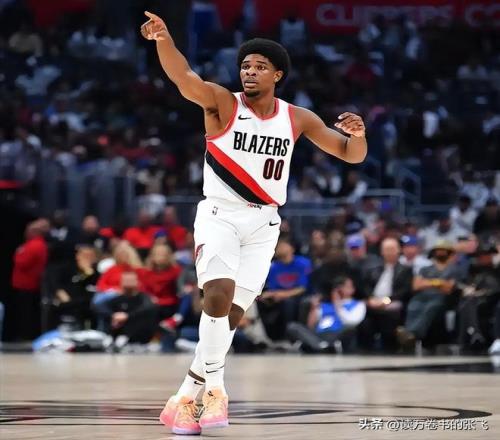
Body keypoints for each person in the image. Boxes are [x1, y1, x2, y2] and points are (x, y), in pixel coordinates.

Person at [141, 11, 367, 435]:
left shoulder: (296, 117)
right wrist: (163, 40)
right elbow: (182, 77)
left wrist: (358, 136)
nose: (249, 71)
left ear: (277, 75)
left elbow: (349, 155)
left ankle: (184, 398)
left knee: (231, 316)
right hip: (220, 214)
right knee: (217, 294)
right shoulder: (223, 103)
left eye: (260, 66)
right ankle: (216, 389)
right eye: (245, 65)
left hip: (265, 223)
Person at [397, 241, 465, 349]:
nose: (440, 253)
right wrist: (438, 283)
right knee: (413, 306)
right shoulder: (425, 269)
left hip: (442, 297)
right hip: (422, 296)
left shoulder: (454, 270)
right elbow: (416, 285)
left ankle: (412, 334)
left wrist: (428, 283)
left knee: (431, 307)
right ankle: (409, 332)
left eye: (443, 251)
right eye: (438, 251)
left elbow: (448, 288)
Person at [358, 238, 413, 352]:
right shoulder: (373, 269)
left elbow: (404, 291)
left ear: (398, 250)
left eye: (392, 249)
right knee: (362, 316)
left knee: (390, 314)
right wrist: (370, 299)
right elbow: (366, 287)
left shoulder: (405, 270)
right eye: (386, 249)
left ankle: (390, 347)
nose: (389, 252)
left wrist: (386, 300)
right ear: (382, 251)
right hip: (374, 300)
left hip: (392, 301)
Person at [287, 276, 365, 353]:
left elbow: (351, 322)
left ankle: (316, 345)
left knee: (350, 329)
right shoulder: (325, 305)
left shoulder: (358, 304)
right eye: (339, 286)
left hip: (336, 333)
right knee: (293, 326)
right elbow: (310, 325)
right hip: (318, 333)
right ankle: (321, 346)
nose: (341, 289)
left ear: (353, 289)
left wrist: (337, 304)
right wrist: (313, 308)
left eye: (346, 286)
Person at [258, 235, 312, 340]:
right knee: (260, 301)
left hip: (299, 296)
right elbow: (272, 288)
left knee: (288, 303)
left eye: (282, 245)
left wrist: (281, 295)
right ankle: (267, 337)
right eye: (278, 246)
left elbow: (302, 288)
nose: (279, 248)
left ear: (292, 248)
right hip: (278, 296)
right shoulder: (273, 266)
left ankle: (290, 336)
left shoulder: (303, 263)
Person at [95, 271, 157, 350]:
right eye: (126, 280)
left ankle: (125, 338)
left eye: (131, 280)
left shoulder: (143, 297)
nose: (128, 283)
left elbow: (148, 307)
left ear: (137, 282)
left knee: (147, 313)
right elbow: (97, 306)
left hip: (138, 332)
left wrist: (127, 316)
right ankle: (111, 338)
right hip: (117, 329)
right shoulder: (116, 298)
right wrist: (113, 315)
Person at [11, 220, 48, 341]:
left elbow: (21, 262)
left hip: (27, 285)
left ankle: (26, 336)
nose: (26, 233)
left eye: (29, 230)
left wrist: (18, 252)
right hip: (26, 284)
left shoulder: (35, 245)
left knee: (26, 313)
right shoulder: (34, 244)